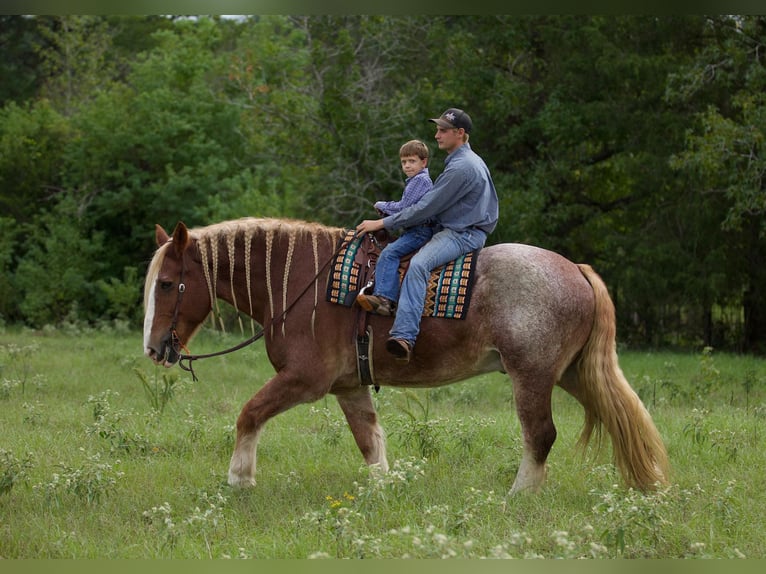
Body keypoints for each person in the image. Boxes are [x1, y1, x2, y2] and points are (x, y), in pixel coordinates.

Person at [356, 107, 499, 363]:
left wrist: (382, 223)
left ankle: (404, 335)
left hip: (461, 233)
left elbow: (424, 209)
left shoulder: (461, 168)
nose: (437, 135)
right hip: (463, 228)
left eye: (443, 130)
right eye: (437, 129)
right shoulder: (466, 160)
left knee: (419, 265)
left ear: (460, 133)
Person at [356, 139, 435, 317]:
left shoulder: (420, 181)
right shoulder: (415, 181)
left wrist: (383, 205)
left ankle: (385, 299)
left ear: (424, 162)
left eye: (412, 161)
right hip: (415, 229)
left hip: (419, 231)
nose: (407, 166)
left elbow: (404, 208)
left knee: (390, 253)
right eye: (404, 162)